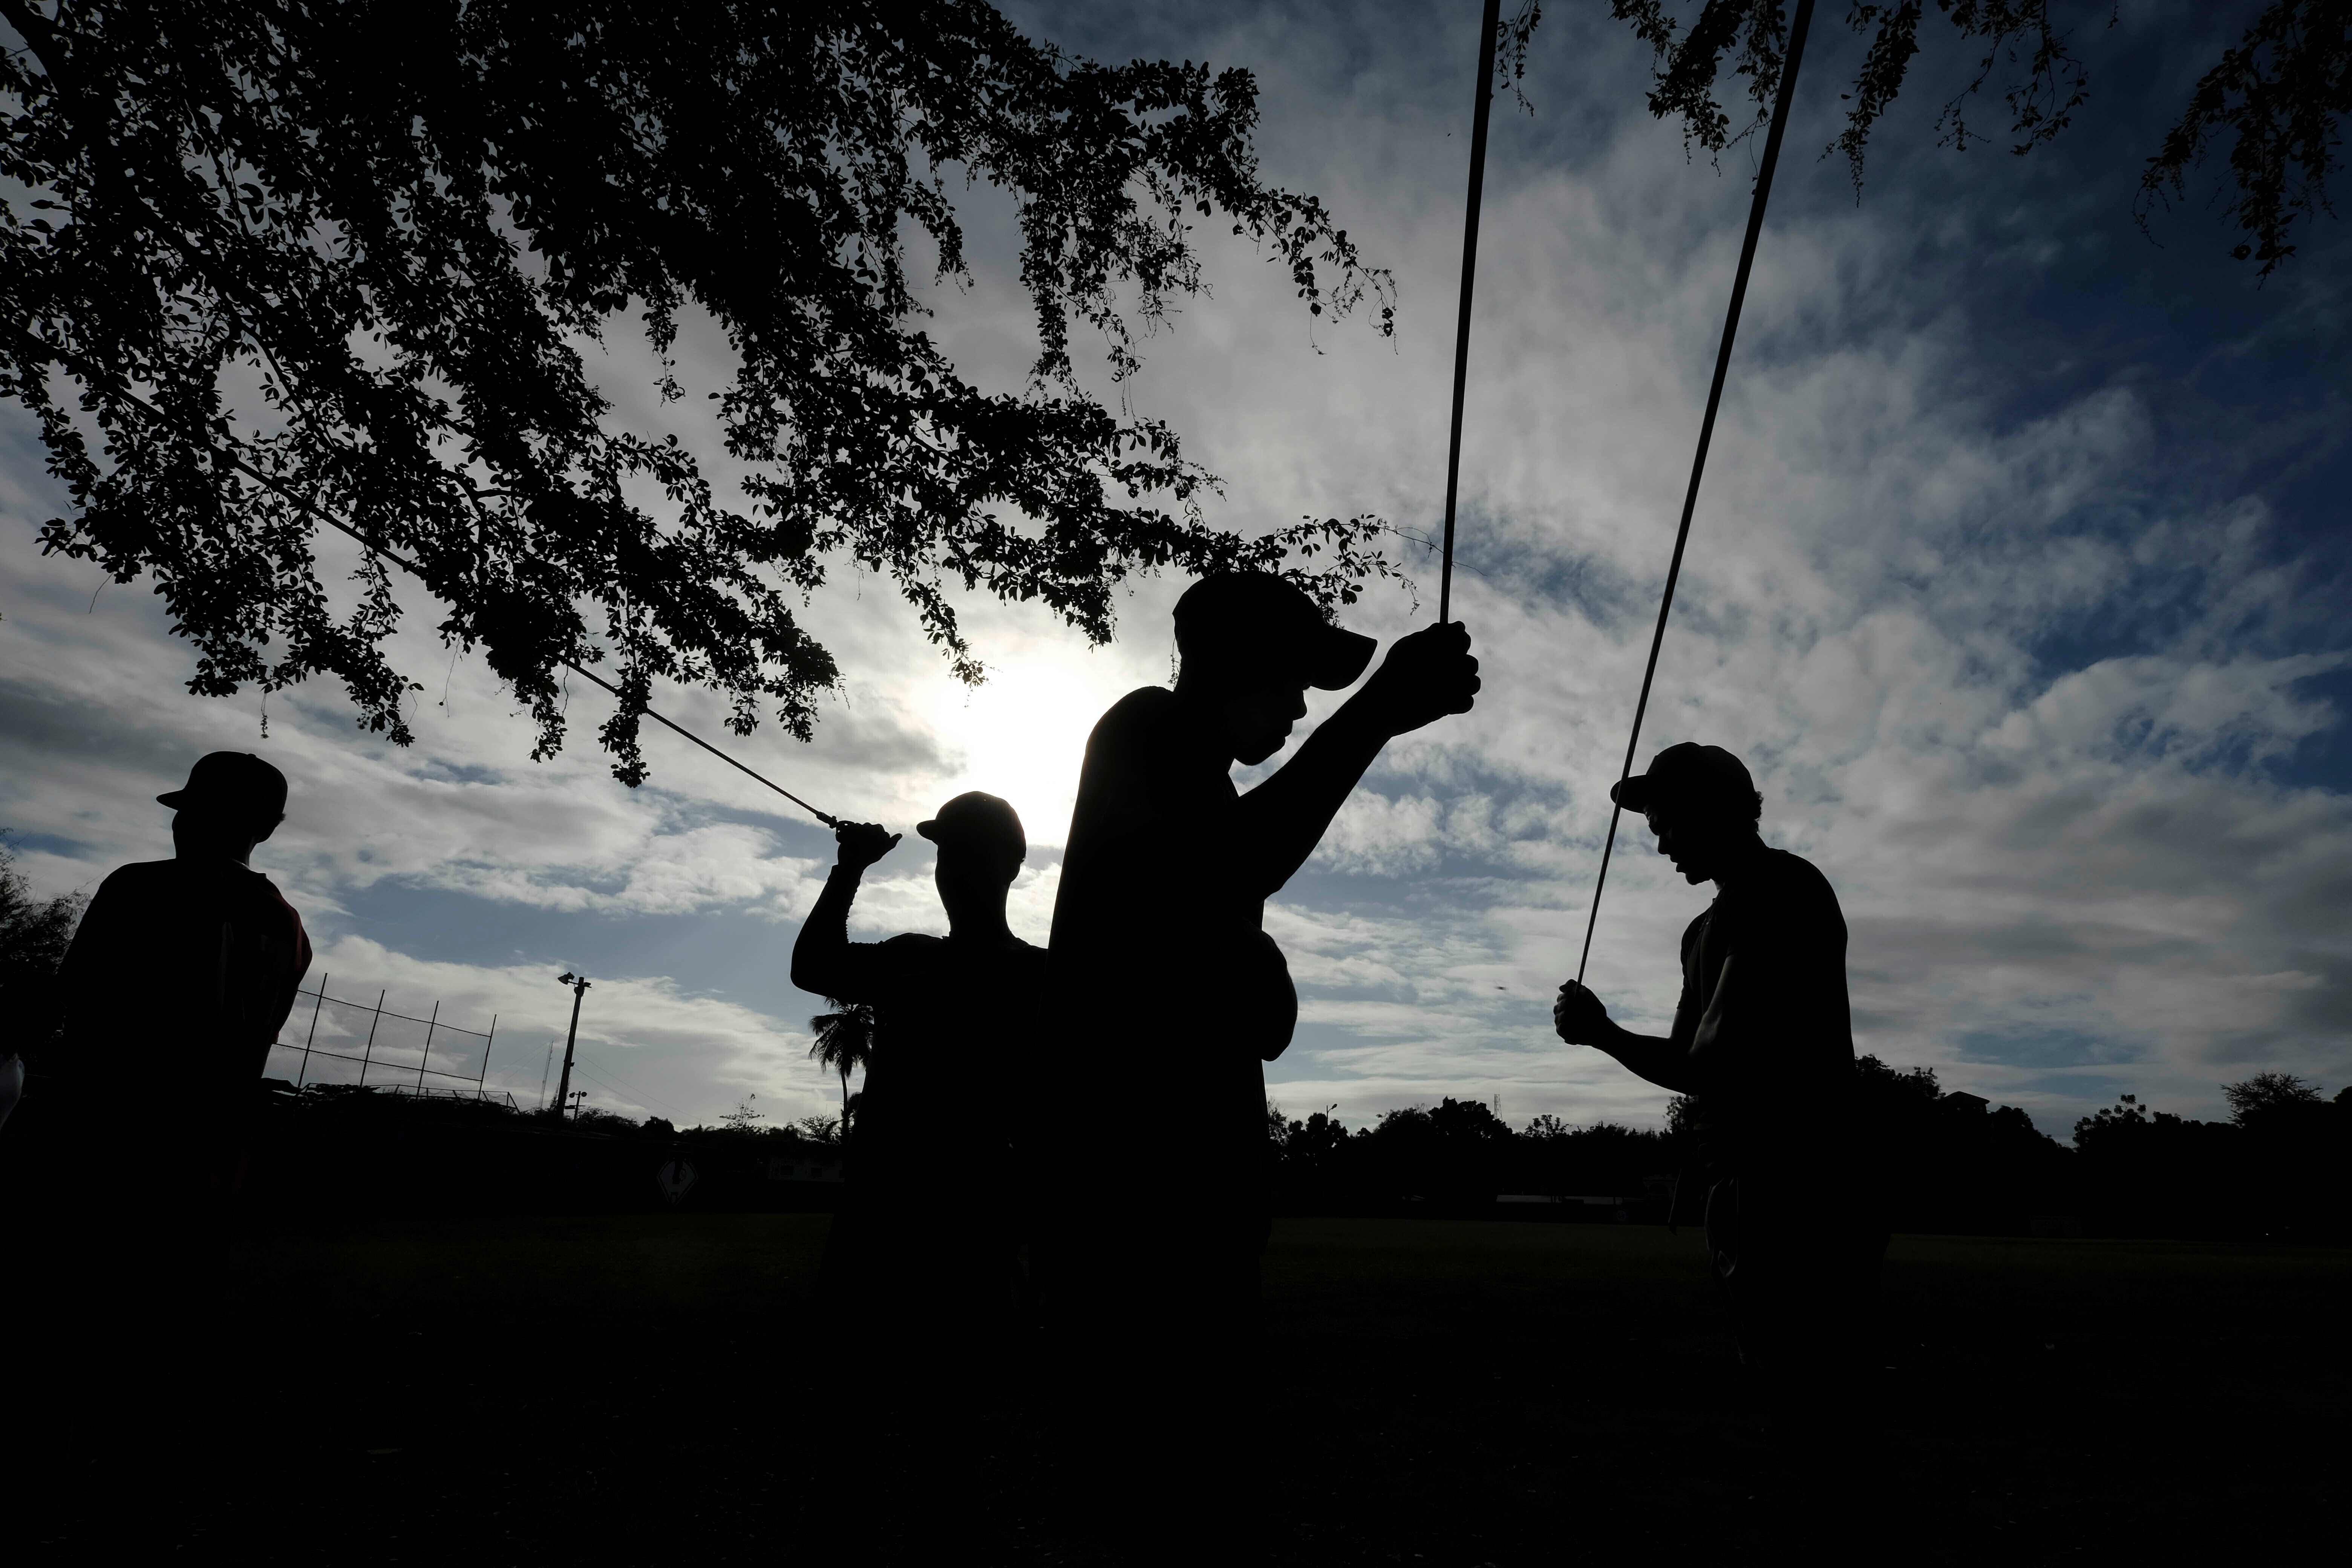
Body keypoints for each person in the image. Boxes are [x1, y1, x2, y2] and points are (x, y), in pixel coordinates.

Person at [1037, 571, 1479, 1560]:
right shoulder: (1148, 728)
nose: (1298, 704)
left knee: (1201, 1491)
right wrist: (1377, 714)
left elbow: (1251, 996)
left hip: (1187, 1201)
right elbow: (1238, 870)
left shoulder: (1193, 789)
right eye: (1295, 681)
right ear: (1239, 663)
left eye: (1317, 692)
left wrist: (1253, 974)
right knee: (1154, 1497)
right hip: (1137, 1202)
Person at [1551, 741, 1892, 1540]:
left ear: (1719, 811)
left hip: (1807, 1191)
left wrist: (1603, 1030)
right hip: (1745, 1193)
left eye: (1668, 822)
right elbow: (1685, 1063)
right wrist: (1603, 1037)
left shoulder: (1784, 889)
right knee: (1801, 1412)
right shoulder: (1700, 929)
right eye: (1652, 826)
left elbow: (1714, 1057)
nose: (1660, 840)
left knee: (1831, 1417)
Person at [5, 750, 312, 1542]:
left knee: (53, 1344)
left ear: (246, 825)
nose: (179, 822)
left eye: (195, 809)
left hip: (100, 1151)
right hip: (208, 1172)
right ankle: (123, 1509)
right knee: (148, 1360)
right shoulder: (287, 929)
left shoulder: (139, 890)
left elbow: (86, 1024)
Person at [790, 790, 1047, 1561]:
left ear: (1003, 866)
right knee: (849, 1441)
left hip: (967, 1234)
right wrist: (848, 871)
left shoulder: (1040, 977)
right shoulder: (909, 958)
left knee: (947, 1444)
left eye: (961, 851)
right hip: (874, 1228)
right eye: (942, 853)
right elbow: (814, 967)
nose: (945, 869)